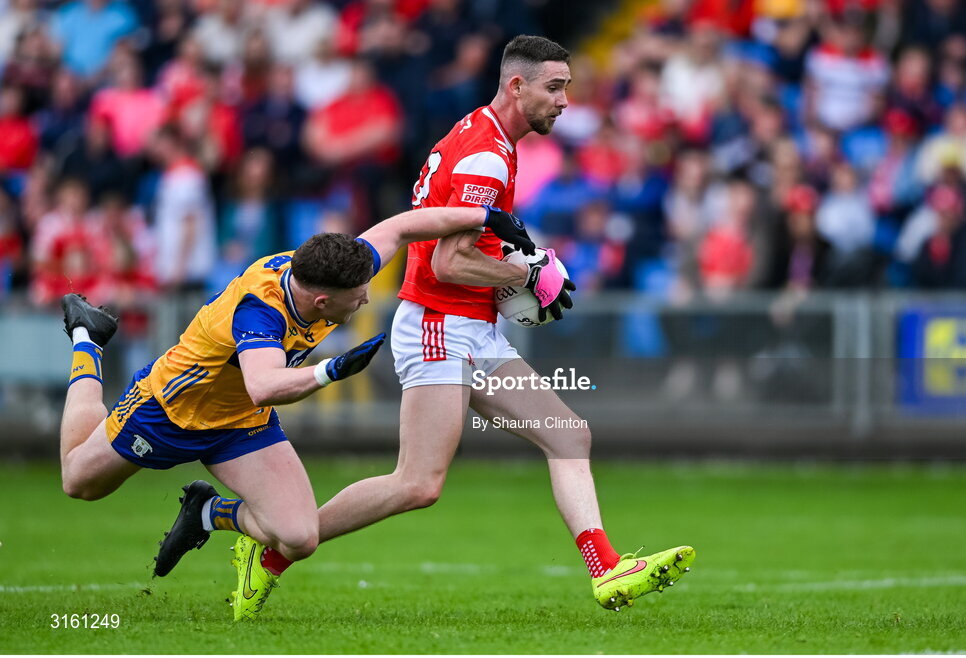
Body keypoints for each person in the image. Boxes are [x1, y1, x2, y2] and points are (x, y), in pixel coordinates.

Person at [165, 34, 693, 619]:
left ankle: (606, 570)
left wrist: (516, 273)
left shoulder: (486, 136)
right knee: (417, 483)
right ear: (516, 86)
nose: (565, 101)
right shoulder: (488, 156)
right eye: (555, 87)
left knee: (569, 435)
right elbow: (447, 260)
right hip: (439, 326)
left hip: (473, 328)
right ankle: (262, 549)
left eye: (566, 86)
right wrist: (522, 274)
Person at [57, 202, 535, 621]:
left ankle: (207, 512)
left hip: (240, 423)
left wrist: (488, 217)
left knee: (300, 538)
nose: (368, 296)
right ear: (322, 300)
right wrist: (331, 371)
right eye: (359, 294)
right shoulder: (260, 311)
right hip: (170, 409)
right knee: (79, 481)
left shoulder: (337, 269)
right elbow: (263, 385)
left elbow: (402, 227)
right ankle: (88, 339)